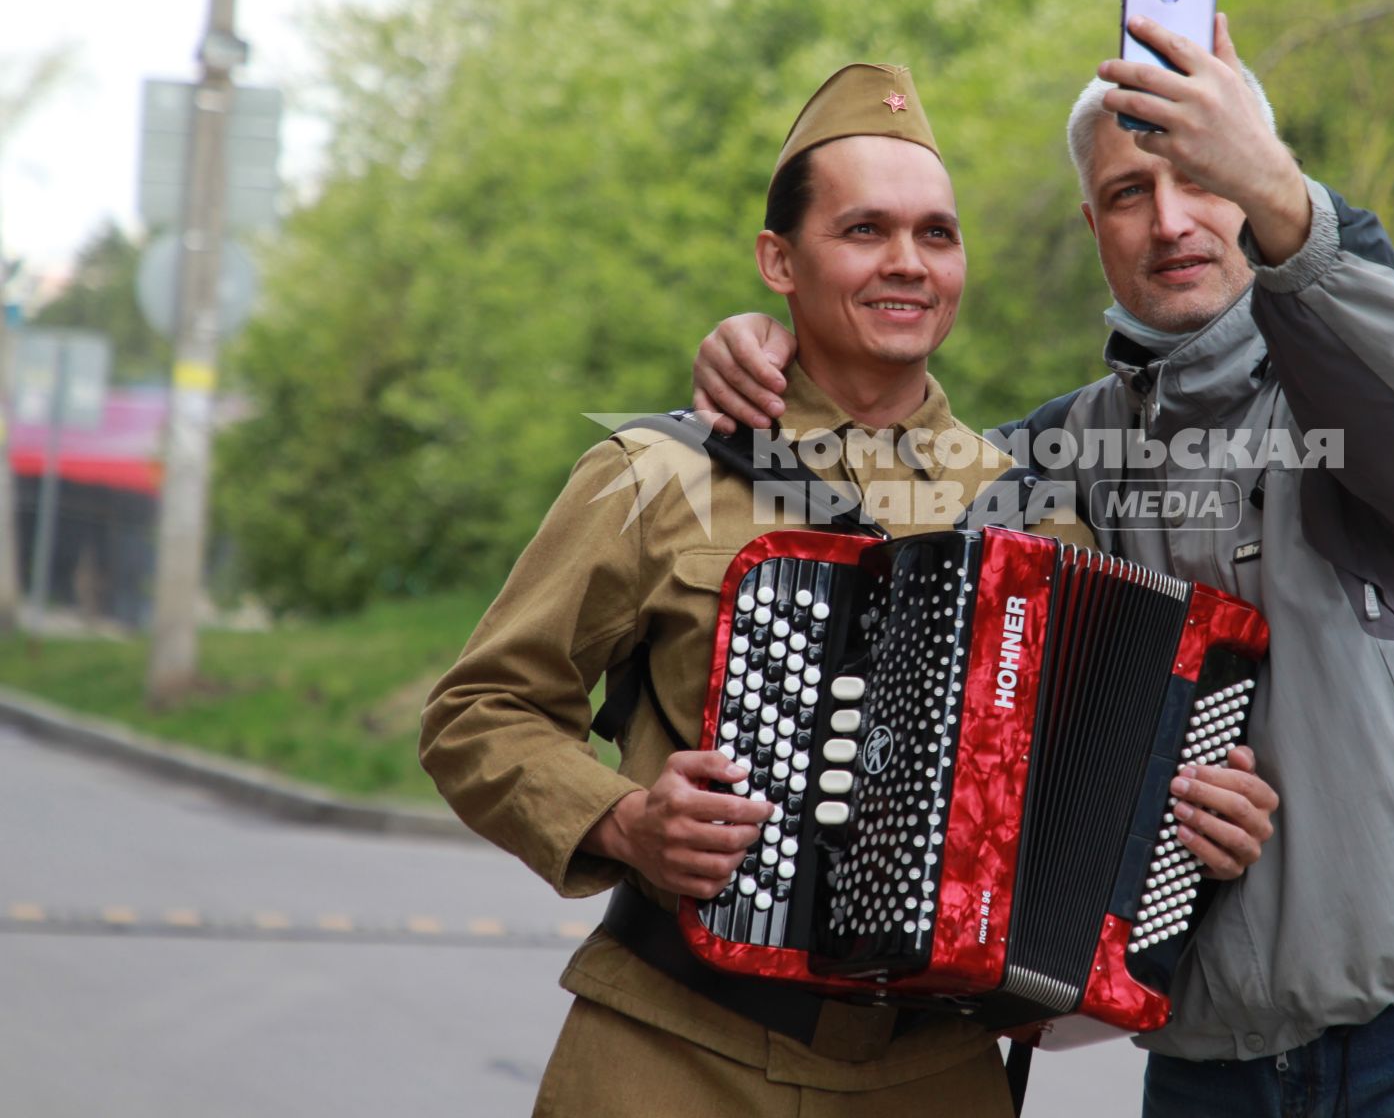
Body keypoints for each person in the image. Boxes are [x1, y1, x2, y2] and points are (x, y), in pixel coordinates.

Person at [692, 14, 1394, 1116]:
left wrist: (1278, 190)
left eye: (1200, 179)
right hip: (1209, 1051)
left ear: (1255, 185)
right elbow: (882, 479)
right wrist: (773, 344)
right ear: (1093, 224)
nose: (1170, 221)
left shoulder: (1359, 394)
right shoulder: (1059, 455)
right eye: (1128, 193)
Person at [419, 61, 1280, 1118]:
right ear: (779, 258)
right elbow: (477, 711)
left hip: (936, 1074)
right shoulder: (661, 472)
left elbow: (1093, 792)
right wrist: (624, 818)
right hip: (673, 1049)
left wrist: (1192, 824)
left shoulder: (1034, 504)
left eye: (937, 234)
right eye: (865, 230)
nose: (907, 263)